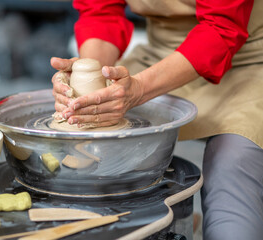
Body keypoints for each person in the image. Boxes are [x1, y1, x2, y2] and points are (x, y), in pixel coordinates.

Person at [50, 0, 263, 239]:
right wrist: (90, 82)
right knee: (93, 158)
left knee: (231, 164)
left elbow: (222, 28)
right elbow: (102, 12)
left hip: (248, 60)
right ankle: (170, 222)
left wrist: (139, 90)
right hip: (161, 58)